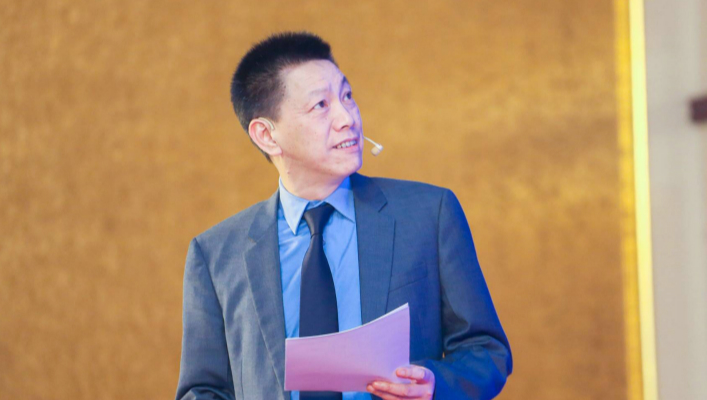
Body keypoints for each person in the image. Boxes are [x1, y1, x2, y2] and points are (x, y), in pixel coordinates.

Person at [175, 32, 512, 400]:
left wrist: (435, 385)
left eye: (347, 96)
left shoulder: (429, 215)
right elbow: (203, 389)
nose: (346, 117)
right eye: (320, 105)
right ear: (267, 135)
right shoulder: (216, 255)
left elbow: (486, 351)